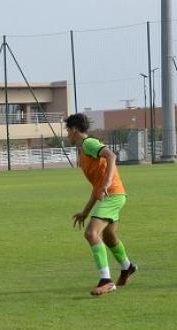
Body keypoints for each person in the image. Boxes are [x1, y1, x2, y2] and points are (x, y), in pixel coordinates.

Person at [64, 113, 138, 296]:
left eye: (67, 130)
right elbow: (96, 187)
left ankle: (106, 280)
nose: (67, 134)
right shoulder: (83, 151)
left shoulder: (88, 144)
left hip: (112, 193)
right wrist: (85, 211)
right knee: (110, 237)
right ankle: (127, 267)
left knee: (91, 233)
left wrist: (106, 183)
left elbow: (111, 156)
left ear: (74, 130)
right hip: (110, 194)